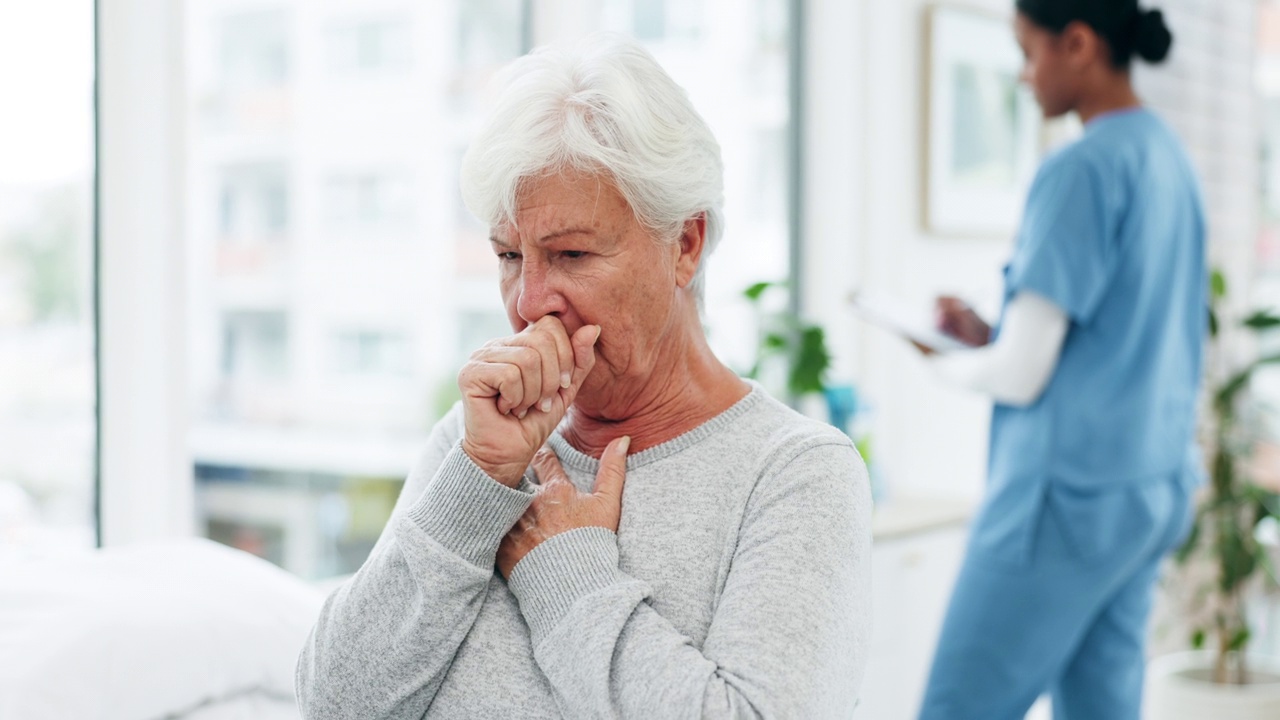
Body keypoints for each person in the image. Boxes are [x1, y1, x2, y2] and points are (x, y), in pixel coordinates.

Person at [295, 34, 872, 719]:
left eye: (570, 253)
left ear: (684, 245)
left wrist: (565, 571)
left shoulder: (795, 473)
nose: (528, 300)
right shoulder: (478, 443)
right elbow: (335, 702)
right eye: (509, 255)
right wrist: (476, 479)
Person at [915, 2, 1206, 719]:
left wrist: (938, 359)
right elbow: (1116, 328)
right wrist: (990, 329)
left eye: (1028, 50)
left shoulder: (1082, 167)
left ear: (1078, 44)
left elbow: (1022, 372)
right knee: (1101, 708)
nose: (1022, 75)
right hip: (1147, 492)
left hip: (1065, 502)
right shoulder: (1167, 157)